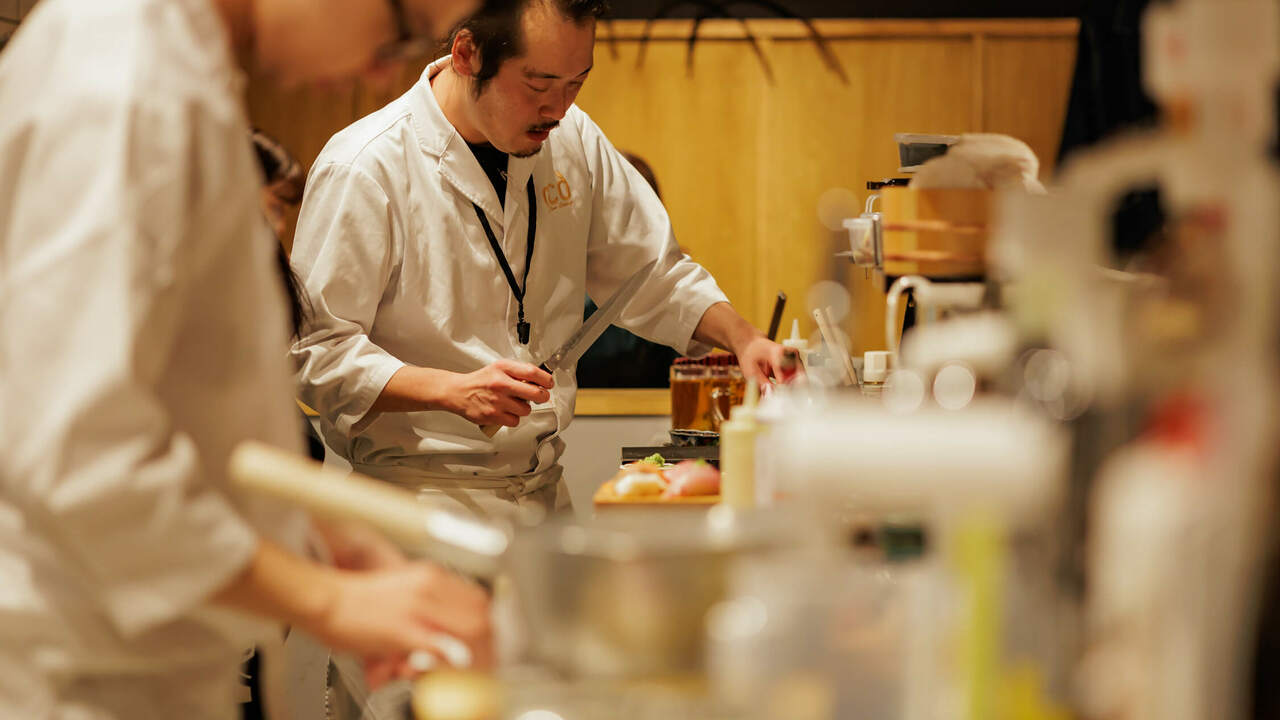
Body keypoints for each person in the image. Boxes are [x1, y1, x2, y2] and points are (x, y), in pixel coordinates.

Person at [0, 0, 493, 718]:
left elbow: (190, 412)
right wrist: (328, 599)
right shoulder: (124, 84)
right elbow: (77, 451)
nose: (389, 67)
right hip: (80, 675)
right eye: (403, 28)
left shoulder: (176, 68)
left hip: (141, 656)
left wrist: (331, 544)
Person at [290, 0, 786, 515]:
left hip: (543, 492)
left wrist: (744, 339)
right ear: (467, 54)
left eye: (576, 83)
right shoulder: (365, 166)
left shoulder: (573, 141)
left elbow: (653, 273)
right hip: (417, 500)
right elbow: (315, 351)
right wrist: (451, 391)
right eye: (538, 85)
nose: (558, 109)